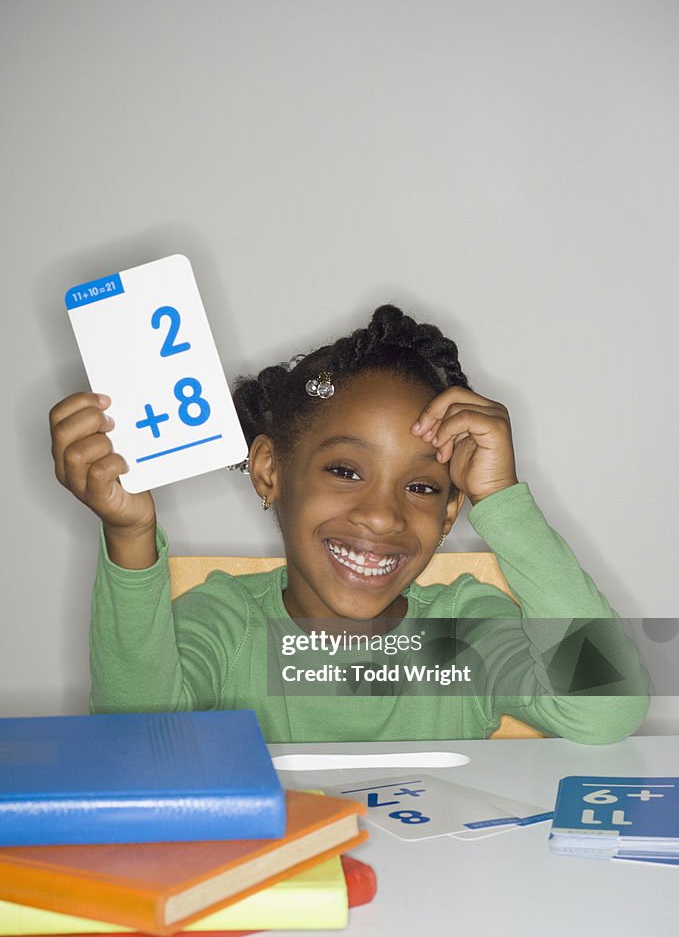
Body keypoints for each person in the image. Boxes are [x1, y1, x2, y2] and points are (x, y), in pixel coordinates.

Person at [49, 305, 649, 743]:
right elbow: (138, 738)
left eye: (421, 487)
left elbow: (606, 711)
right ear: (268, 472)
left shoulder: (465, 635)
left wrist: (504, 502)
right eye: (344, 470)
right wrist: (129, 536)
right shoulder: (227, 623)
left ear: (449, 513)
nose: (383, 514)